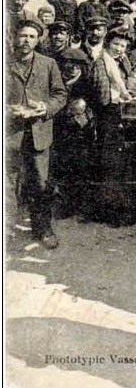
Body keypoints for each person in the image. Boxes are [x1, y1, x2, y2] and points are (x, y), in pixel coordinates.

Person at [7, 20, 68, 249]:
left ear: (38, 39)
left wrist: (45, 107)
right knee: (8, 184)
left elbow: (60, 94)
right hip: (9, 135)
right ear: (15, 37)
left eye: (32, 36)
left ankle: (42, 229)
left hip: (39, 133)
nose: (26, 41)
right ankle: (6, 229)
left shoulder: (48, 64)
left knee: (40, 184)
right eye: (23, 35)